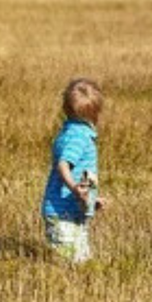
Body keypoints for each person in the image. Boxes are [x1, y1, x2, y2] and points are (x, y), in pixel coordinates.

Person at [41, 78, 107, 263]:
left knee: (82, 259)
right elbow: (63, 164)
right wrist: (75, 189)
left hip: (72, 209)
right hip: (62, 213)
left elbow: (82, 175)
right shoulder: (78, 137)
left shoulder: (71, 132)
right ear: (96, 114)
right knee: (69, 261)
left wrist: (92, 199)